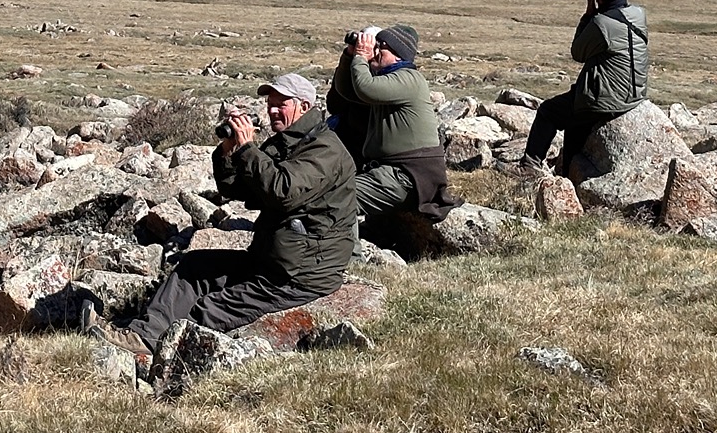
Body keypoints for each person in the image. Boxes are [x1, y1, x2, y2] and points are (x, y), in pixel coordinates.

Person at [103, 71, 357, 359]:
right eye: (270, 103)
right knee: (194, 268)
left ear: (304, 107)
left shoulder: (325, 150)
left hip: (301, 274)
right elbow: (239, 189)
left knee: (212, 308)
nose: (273, 109)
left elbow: (282, 191)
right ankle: (145, 334)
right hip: (274, 259)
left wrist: (248, 148)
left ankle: (165, 354)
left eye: (281, 103)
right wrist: (228, 150)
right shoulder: (287, 143)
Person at [328, 24, 459, 229]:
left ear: (398, 55)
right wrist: (349, 55)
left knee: (340, 196)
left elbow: (365, 88)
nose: (376, 51)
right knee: (334, 191)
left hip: (406, 175)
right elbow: (347, 91)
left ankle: (349, 257)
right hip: (390, 171)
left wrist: (361, 56)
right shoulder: (390, 80)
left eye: (382, 47)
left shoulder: (408, 79)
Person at [523, 0, 649, 177]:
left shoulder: (601, 24)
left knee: (548, 111)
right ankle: (569, 177)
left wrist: (589, 15)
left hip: (609, 100)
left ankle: (530, 166)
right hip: (635, 93)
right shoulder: (639, 14)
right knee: (575, 124)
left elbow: (578, 52)